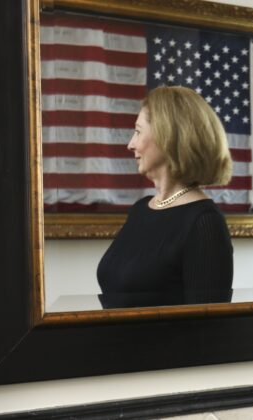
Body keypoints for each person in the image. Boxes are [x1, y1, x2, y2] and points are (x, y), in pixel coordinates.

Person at [96, 86, 234, 309]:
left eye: (138, 132)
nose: (130, 144)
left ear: (167, 137)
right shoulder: (141, 209)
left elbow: (207, 332)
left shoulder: (204, 222)